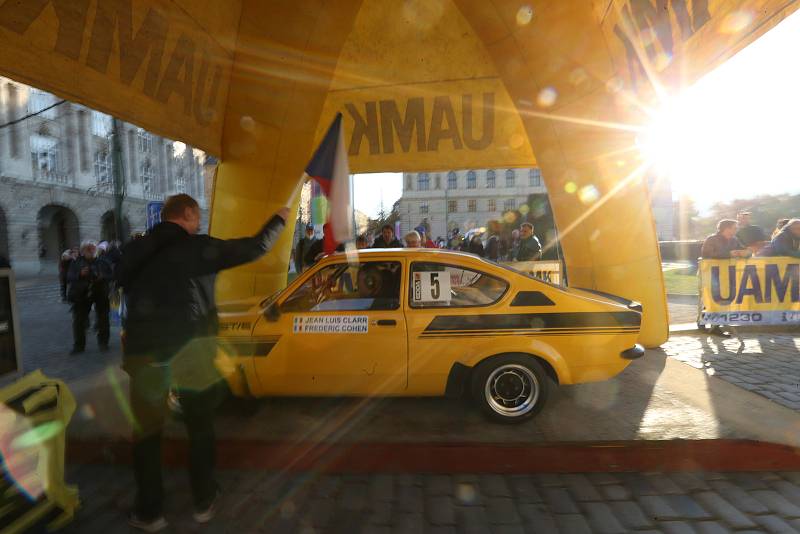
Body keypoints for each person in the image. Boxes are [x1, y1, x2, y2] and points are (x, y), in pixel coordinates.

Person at [117, 194, 288, 531]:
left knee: (147, 433)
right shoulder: (196, 249)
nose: (199, 223)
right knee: (199, 425)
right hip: (190, 351)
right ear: (189, 215)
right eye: (197, 218)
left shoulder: (134, 248)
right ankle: (203, 499)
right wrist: (279, 218)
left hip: (144, 353)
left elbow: (117, 284)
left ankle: (150, 511)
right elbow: (255, 247)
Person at [66, 240, 113, 353]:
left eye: (93, 248)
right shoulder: (76, 262)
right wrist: (80, 274)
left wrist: (102, 276)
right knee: (79, 321)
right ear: (82, 251)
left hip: (100, 292)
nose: (91, 251)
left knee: (103, 319)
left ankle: (103, 343)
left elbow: (111, 275)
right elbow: (69, 277)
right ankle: (79, 345)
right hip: (82, 294)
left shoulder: (102, 261)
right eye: (88, 248)